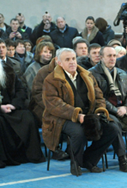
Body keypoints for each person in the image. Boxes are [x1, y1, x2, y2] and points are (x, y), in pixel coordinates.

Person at [42, 48, 119, 176]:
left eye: (73, 58)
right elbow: (54, 105)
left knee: (112, 129)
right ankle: (76, 162)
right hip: (61, 118)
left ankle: (88, 160)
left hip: (88, 114)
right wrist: (77, 115)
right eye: (67, 59)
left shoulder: (87, 75)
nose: (72, 62)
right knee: (78, 132)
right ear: (59, 62)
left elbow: (99, 96)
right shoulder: (51, 80)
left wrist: (100, 111)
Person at [0, 43, 45, 168]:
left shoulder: (8, 70)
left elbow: (21, 90)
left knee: (27, 117)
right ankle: (1, 158)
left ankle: (28, 155)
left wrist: (14, 105)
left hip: (10, 107)